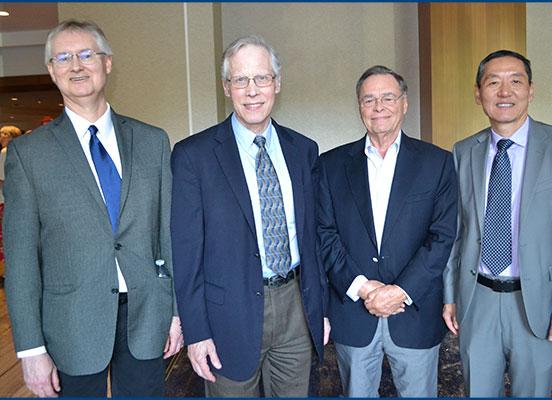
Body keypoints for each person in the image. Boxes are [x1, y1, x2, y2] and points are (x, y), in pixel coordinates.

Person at [3, 20, 183, 397]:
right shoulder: (28, 154)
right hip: (70, 325)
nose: (76, 65)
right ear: (52, 71)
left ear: (108, 63)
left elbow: (169, 233)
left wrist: (178, 312)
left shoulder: (152, 141)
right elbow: (20, 259)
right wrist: (31, 349)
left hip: (146, 317)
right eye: (63, 58)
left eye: (87, 54)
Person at [171, 35, 329, 397]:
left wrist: (321, 309)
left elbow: (314, 239)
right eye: (240, 80)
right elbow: (186, 253)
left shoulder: (303, 150)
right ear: (227, 87)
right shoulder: (193, 156)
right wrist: (196, 332)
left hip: (296, 307)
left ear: (277, 83)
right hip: (228, 315)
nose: (252, 90)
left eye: (261, 78)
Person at [443, 49, 552, 397]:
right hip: (477, 298)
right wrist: (450, 294)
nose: (505, 92)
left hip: (540, 302)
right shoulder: (463, 151)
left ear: (531, 90)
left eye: (516, 81)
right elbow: (455, 232)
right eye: (493, 82)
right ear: (478, 93)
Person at [318, 65, 457, 397]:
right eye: (369, 99)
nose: (378, 107)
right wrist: (365, 289)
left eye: (387, 97)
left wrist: (399, 291)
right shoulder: (330, 165)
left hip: (414, 311)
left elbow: (442, 237)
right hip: (353, 310)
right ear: (359, 106)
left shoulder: (437, 163)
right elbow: (324, 234)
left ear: (404, 103)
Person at [0, 125, 22, 286]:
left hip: (4, 200)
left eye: (4, 134)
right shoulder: (21, 150)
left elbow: (2, 180)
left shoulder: (6, 152)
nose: (1, 137)